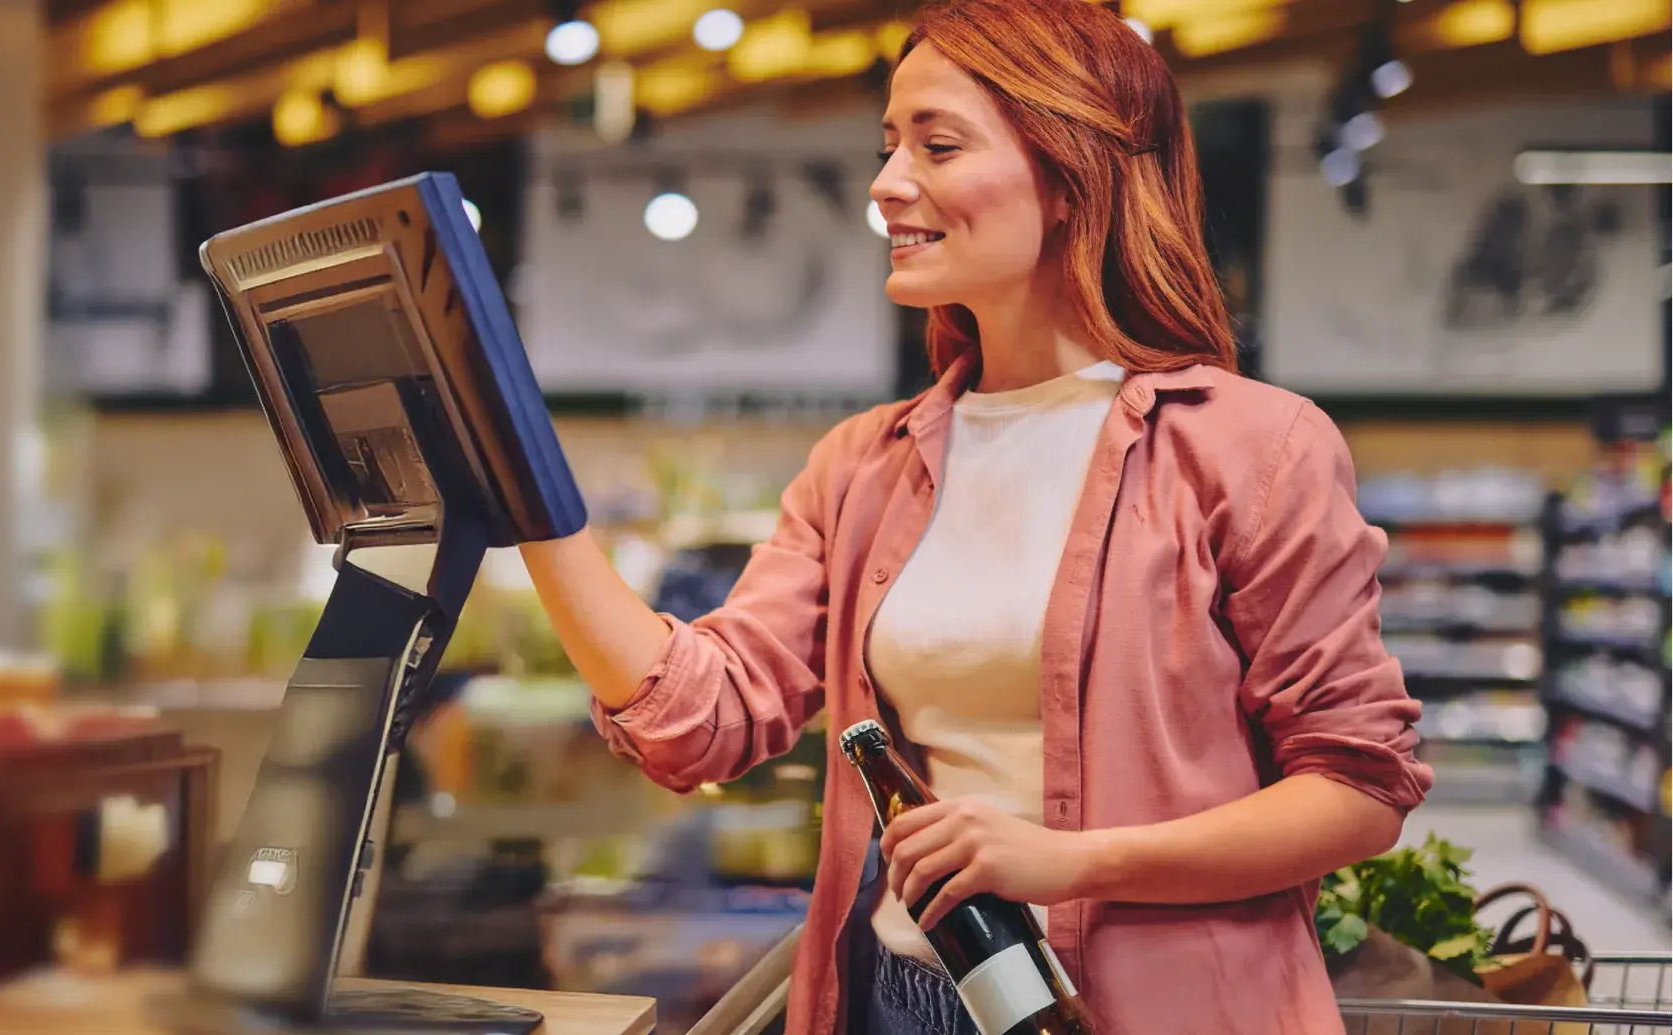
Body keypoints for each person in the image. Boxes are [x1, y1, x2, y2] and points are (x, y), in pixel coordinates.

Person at [518, 0, 1434, 1030]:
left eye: (937, 145)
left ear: (1069, 170)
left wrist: (1075, 862)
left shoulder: (1248, 450)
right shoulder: (862, 467)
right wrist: (531, 501)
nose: (885, 184)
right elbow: (701, 722)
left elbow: (1358, 792)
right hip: (899, 997)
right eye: (888, 144)